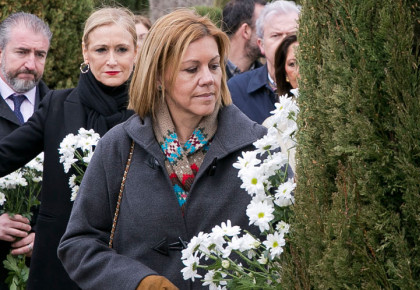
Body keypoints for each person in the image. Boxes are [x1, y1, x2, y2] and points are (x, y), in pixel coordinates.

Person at [58, 8, 267, 289]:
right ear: (158, 76)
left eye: (214, 66)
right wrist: (139, 282)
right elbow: (78, 243)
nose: (208, 78)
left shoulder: (258, 148)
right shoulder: (119, 146)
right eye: (192, 69)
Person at [0, 7, 137, 289]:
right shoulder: (57, 106)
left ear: (136, 52)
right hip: (59, 266)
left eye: (122, 49)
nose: (112, 60)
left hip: (131, 262)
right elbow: (3, 156)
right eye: (101, 50)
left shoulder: (151, 113)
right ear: (85, 53)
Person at [0, 12, 51, 290]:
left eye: (40, 54)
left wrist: (49, 236)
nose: (31, 64)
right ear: (0, 52)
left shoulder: (63, 111)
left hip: (45, 271)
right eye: (21, 52)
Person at [227, 0, 299, 124]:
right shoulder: (236, 90)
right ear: (261, 45)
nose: (285, 43)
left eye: (293, 35)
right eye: (276, 35)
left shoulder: (317, 85)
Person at [221, 0, 266, 79]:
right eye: (264, 27)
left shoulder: (267, 78)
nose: (271, 32)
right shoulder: (210, 76)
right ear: (246, 31)